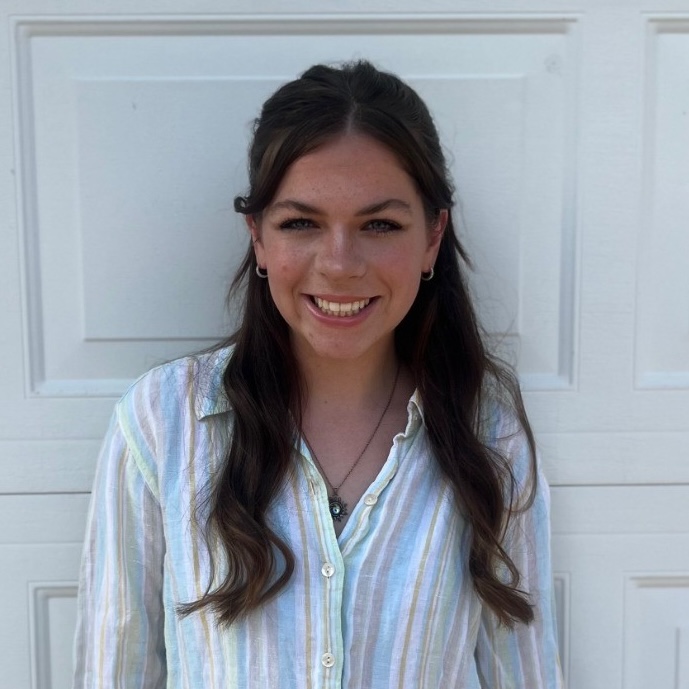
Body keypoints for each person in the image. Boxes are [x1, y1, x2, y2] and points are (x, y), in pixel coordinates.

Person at [72, 60, 563, 688]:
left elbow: (525, 672)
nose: (339, 264)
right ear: (258, 236)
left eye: (379, 225)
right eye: (301, 223)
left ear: (433, 237)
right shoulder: (164, 424)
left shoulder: (488, 431)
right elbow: (113, 670)